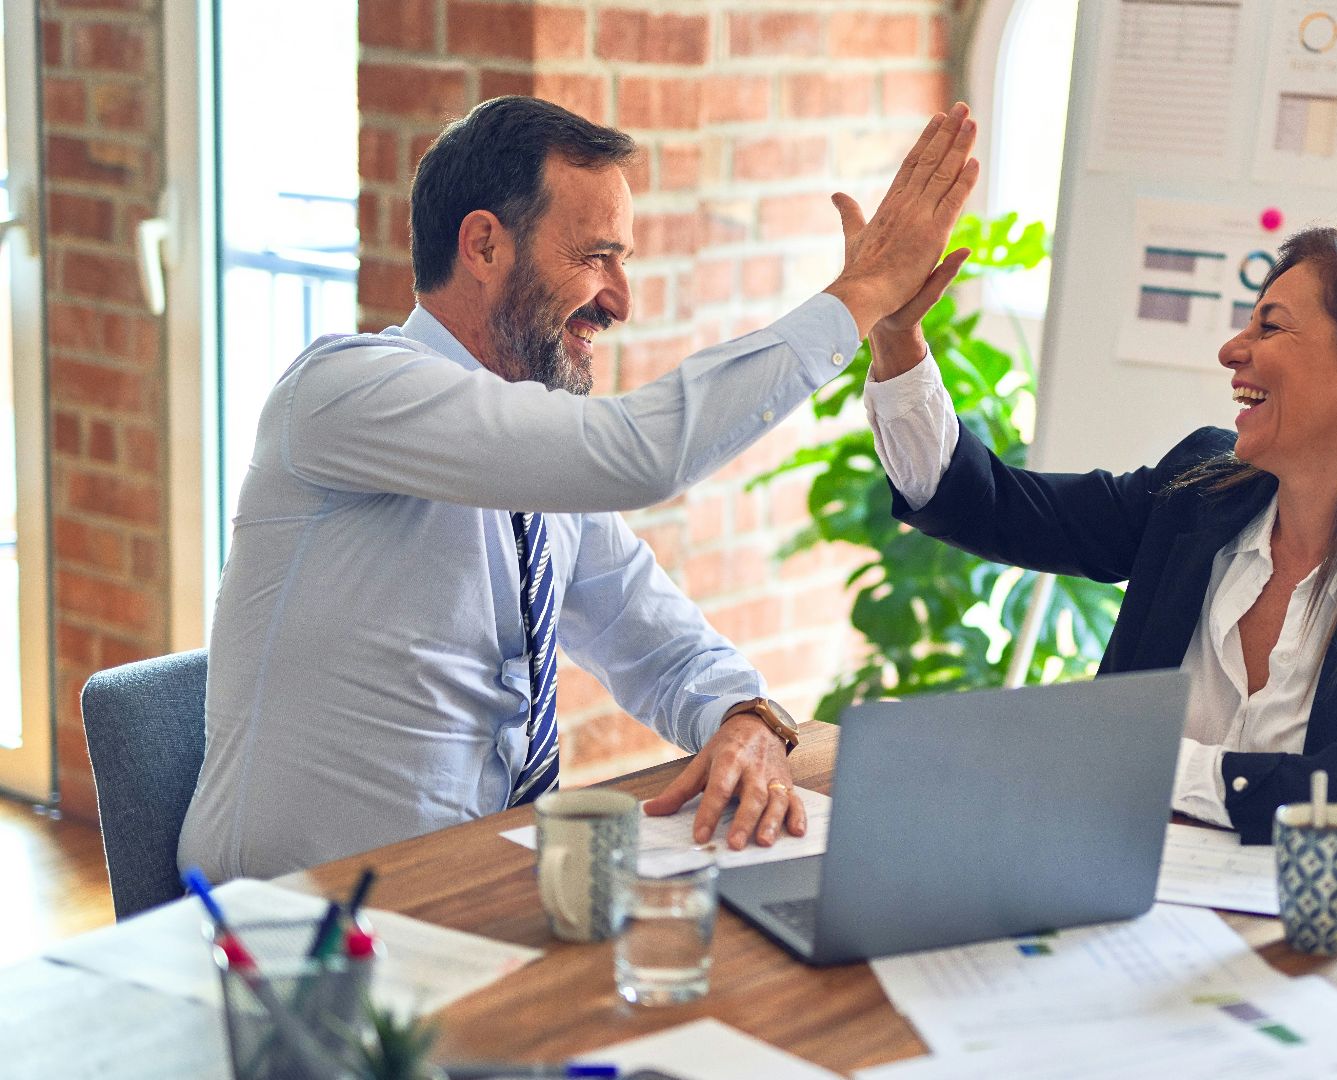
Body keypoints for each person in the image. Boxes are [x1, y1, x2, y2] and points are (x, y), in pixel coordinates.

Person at [179, 96, 978, 881]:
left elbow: (660, 644)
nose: (620, 301)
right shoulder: (344, 392)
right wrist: (862, 294)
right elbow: (641, 454)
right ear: (485, 246)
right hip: (293, 931)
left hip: (475, 896)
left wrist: (746, 717)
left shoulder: (537, 468)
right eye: (597, 256)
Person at [863, 223, 1337, 861]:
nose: (1232, 350)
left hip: (1331, 947)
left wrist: (1139, 763)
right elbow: (991, 506)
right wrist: (897, 338)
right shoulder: (1199, 494)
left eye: (1269, 326)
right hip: (1124, 896)